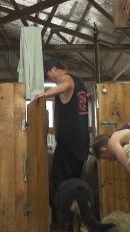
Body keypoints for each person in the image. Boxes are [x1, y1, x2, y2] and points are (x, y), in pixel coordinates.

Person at [34, 59, 90, 213]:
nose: (49, 79)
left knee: (60, 181)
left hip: (69, 144)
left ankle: (66, 217)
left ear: (53, 69)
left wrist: (45, 94)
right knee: (77, 182)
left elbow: (66, 84)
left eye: (48, 75)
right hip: (82, 142)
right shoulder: (80, 82)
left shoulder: (66, 79)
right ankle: (78, 219)